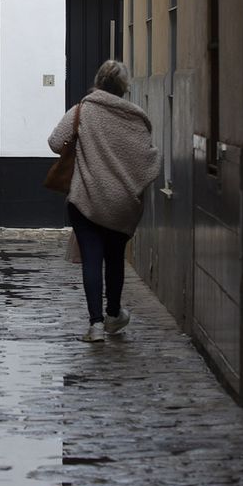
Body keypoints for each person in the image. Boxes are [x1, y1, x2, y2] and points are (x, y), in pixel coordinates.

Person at [47, 60, 159, 342]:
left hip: (85, 198)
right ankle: (113, 316)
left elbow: (54, 141)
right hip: (122, 203)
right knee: (115, 259)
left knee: (92, 260)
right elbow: (149, 160)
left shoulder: (83, 111)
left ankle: (95, 325)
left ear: (97, 81)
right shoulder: (136, 118)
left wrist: (83, 147)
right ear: (124, 88)